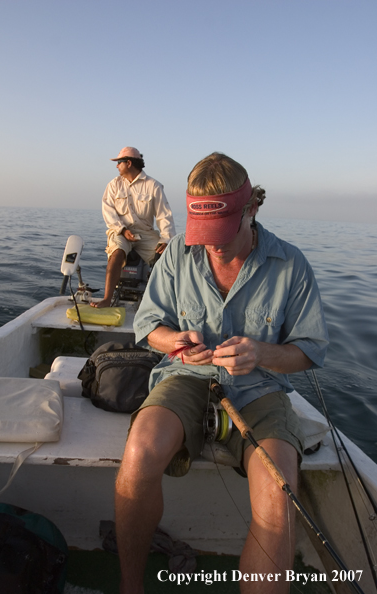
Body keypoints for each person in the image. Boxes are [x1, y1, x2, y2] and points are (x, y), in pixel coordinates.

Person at [114, 152, 329, 594]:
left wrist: (261, 354)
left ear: (252, 208)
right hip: (185, 378)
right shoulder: (177, 254)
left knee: (279, 490)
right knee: (138, 456)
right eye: (203, 233)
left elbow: (309, 352)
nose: (212, 244)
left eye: (223, 232)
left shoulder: (292, 265)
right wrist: (175, 342)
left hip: (260, 390)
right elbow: (147, 326)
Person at [91, 147, 176, 308]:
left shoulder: (154, 186)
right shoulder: (113, 185)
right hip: (120, 231)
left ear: (128, 163)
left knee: (169, 258)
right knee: (116, 252)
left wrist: (166, 239)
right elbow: (107, 211)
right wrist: (122, 230)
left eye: (119, 162)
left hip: (145, 234)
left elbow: (164, 215)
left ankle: (164, 303)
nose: (116, 166)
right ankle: (107, 299)